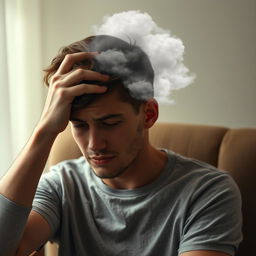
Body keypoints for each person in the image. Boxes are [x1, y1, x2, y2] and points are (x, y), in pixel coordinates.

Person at [0, 35, 242, 256]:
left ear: (148, 114)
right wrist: (44, 131)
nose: (95, 145)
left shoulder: (208, 191)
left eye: (110, 123)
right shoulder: (62, 185)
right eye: (80, 125)